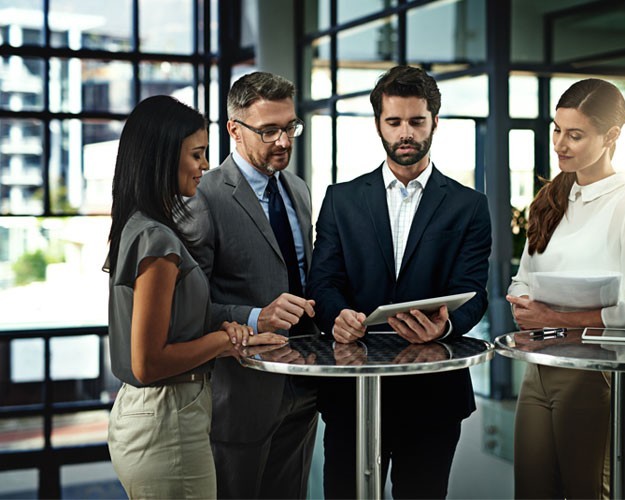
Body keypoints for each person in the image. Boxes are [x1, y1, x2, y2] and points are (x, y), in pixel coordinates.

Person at [306, 65, 492, 499]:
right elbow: (324, 280)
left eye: (416, 121)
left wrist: (445, 327)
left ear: (434, 122)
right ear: (378, 125)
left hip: (433, 394)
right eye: (394, 122)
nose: (405, 133)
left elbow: (475, 289)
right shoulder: (341, 200)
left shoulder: (470, 206)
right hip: (353, 391)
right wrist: (337, 317)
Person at [105, 95, 286, 498]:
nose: (205, 165)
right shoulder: (158, 240)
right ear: (163, 157)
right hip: (167, 421)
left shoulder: (139, 227)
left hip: (155, 415)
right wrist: (225, 341)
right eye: (197, 154)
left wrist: (231, 331)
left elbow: (169, 328)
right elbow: (149, 362)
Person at [506, 78, 625, 499]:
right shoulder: (550, 198)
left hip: (592, 376)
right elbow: (523, 274)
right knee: (531, 491)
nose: (560, 143)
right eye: (556, 130)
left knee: (588, 492)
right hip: (538, 369)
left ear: (611, 137)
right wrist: (522, 300)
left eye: (575, 135)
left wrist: (557, 318)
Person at [180, 71, 319, 499]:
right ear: (234, 131)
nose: (283, 142)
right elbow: (190, 308)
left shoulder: (297, 188)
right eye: (269, 131)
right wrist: (256, 318)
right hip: (242, 394)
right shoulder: (203, 196)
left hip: (304, 384)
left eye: (290, 127)